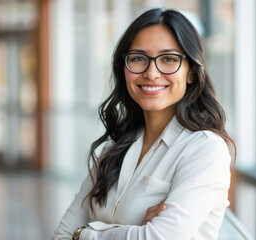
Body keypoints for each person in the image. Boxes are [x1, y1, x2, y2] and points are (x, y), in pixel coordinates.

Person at [52, 8, 235, 240]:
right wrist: (136, 230)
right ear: (124, 68)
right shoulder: (112, 152)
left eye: (169, 59)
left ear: (191, 73)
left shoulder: (205, 150)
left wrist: (85, 234)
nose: (151, 73)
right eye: (138, 58)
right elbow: (60, 235)